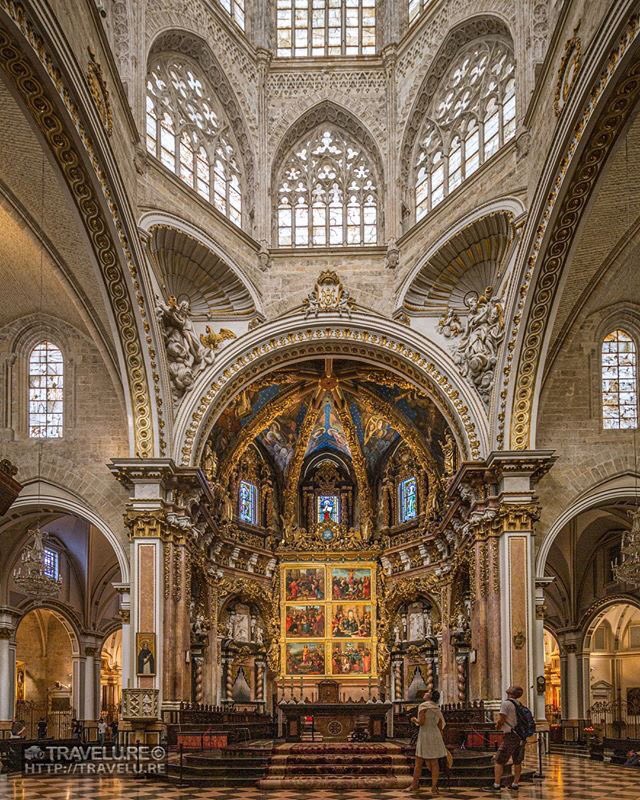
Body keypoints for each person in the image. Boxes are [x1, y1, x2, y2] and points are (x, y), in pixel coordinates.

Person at [484, 686, 528, 792]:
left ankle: (496, 784)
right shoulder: (519, 704)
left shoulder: (506, 704)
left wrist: (497, 726)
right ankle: (515, 783)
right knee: (517, 760)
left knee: (499, 759)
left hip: (510, 736)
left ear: (511, 692)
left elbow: (502, 719)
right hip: (520, 736)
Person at [407, 689, 447, 795]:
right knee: (434, 763)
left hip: (425, 735)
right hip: (435, 735)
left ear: (430, 696)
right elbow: (440, 725)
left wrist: (414, 719)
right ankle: (434, 787)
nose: (425, 693)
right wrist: (442, 740)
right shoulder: (436, 707)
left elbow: (422, 722)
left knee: (419, 762)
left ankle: (414, 784)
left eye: (427, 692)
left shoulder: (423, 706)